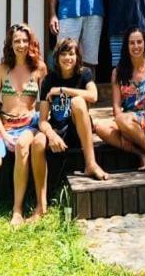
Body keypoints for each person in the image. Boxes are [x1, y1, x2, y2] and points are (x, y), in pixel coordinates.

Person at [0, 24, 49, 226]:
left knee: (23, 146)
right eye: (17, 41)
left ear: (31, 42)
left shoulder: (39, 68)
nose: (21, 45)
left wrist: (43, 124)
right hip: (4, 125)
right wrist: (3, 134)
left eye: (25, 40)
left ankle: (17, 209)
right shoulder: (0, 70)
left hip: (29, 124)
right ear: (10, 43)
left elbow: (45, 102)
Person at [94, 26, 145, 173]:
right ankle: (142, 153)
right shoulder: (118, 72)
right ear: (126, 46)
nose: (136, 46)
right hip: (127, 121)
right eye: (132, 43)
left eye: (139, 42)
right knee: (100, 127)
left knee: (122, 120)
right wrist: (123, 123)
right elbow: (116, 107)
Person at [38, 37, 109, 181]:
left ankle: (91, 164)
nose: (67, 58)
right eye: (63, 54)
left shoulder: (84, 74)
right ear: (57, 57)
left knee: (77, 102)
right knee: (37, 142)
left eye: (71, 54)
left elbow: (93, 96)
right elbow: (42, 121)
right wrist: (51, 135)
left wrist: (62, 90)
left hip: (79, 130)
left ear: (77, 57)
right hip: (59, 133)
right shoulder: (49, 80)